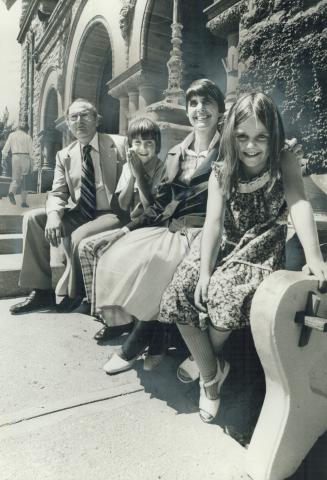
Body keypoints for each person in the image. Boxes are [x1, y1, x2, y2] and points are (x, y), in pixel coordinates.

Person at [158, 92, 327, 423]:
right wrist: (204, 271)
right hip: (225, 239)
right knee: (181, 288)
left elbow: (299, 203)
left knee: (225, 292)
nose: (252, 146)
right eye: (243, 137)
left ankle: (208, 369)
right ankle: (212, 371)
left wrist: (314, 256)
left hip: (259, 244)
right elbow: (214, 223)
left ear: (273, 135)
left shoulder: (284, 160)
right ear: (232, 135)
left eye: (261, 137)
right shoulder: (222, 169)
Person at [89, 79, 225, 373]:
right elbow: (159, 204)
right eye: (193, 103)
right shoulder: (178, 152)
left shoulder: (228, 151)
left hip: (206, 231)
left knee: (158, 262)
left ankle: (136, 343)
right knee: (119, 253)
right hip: (173, 229)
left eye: (207, 103)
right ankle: (157, 337)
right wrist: (125, 230)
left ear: (220, 110)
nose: (200, 110)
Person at [9, 98, 127, 315]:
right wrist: (54, 215)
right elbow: (57, 192)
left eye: (84, 115)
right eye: (73, 117)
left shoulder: (119, 144)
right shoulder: (64, 155)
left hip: (111, 212)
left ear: (96, 120)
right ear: (68, 123)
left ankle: (76, 296)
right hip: (80, 211)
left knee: (78, 236)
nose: (78, 121)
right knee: (33, 219)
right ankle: (41, 291)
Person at [78, 117, 164, 329]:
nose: (142, 148)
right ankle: (99, 307)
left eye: (149, 143)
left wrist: (140, 176)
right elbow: (122, 205)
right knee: (86, 247)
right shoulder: (128, 166)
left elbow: (152, 208)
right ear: (130, 145)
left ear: (157, 146)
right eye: (137, 143)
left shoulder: (162, 168)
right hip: (132, 224)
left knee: (109, 251)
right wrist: (133, 175)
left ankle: (118, 321)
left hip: (152, 228)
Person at [2, 122, 33, 207]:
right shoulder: (28, 137)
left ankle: (11, 192)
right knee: (25, 180)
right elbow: (31, 153)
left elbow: (5, 149)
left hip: (15, 157)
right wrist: (32, 165)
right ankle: (23, 202)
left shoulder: (12, 135)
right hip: (25, 157)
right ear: (26, 129)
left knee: (15, 179)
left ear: (18, 128)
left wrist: (3, 159)